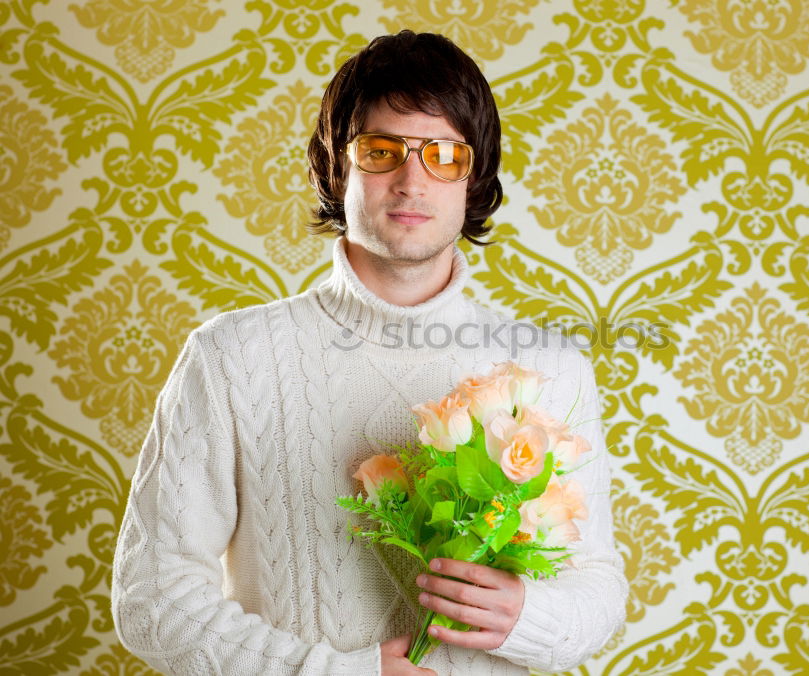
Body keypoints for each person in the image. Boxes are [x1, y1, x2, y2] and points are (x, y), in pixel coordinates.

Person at [111, 30, 626, 675]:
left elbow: (599, 589)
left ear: (475, 178)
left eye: (444, 154)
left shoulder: (551, 368)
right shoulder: (229, 359)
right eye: (381, 151)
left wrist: (529, 618)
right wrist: (336, 672)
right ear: (337, 168)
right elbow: (152, 602)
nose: (412, 181)